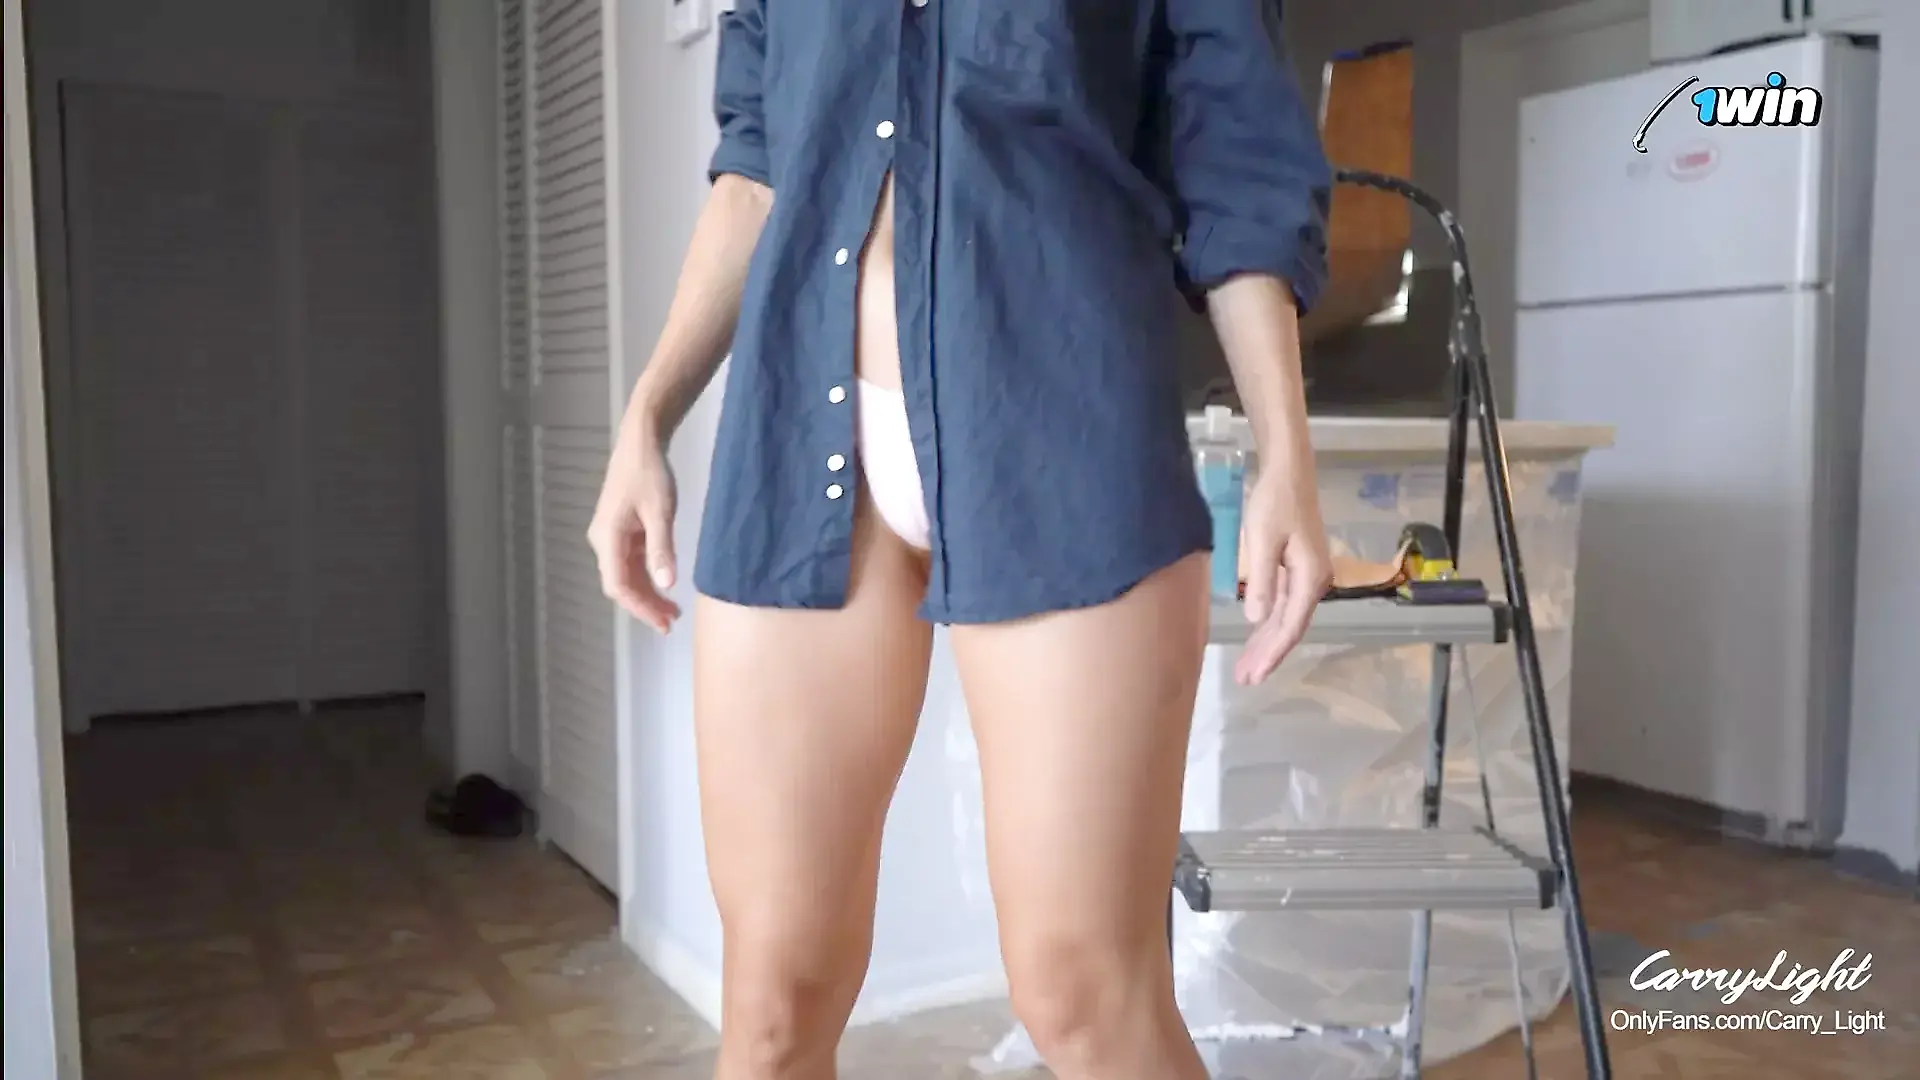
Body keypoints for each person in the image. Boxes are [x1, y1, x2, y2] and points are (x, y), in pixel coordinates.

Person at [587, 3, 1333, 1078]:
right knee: (771, 1001)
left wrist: (1284, 453)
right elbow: (754, 168)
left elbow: (1238, 159)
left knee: (1085, 999)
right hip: (802, 431)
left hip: (1063, 421)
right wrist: (647, 416)